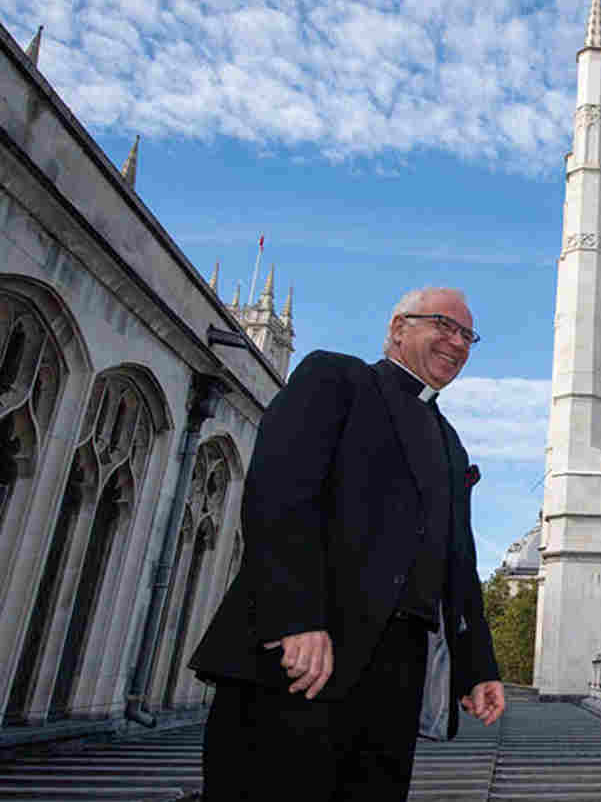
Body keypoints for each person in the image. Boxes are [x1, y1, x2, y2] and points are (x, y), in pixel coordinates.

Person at [190, 286, 506, 801]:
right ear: (398, 329)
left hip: (396, 675)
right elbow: (279, 493)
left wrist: (477, 667)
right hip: (307, 652)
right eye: (443, 325)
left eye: (468, 334)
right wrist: (296, 618)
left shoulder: (451, 443)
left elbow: (457, 563)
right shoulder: (337, 378)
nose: (457, 342)